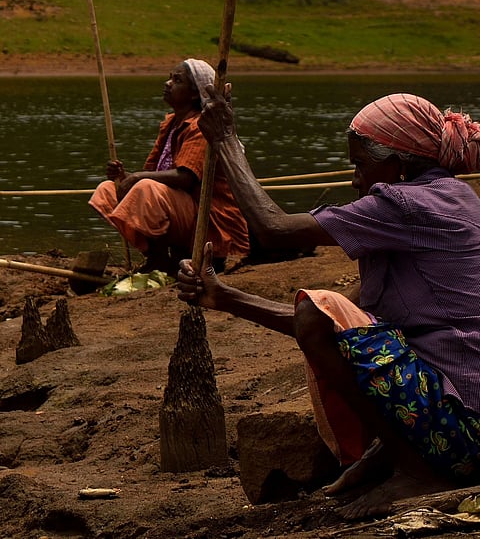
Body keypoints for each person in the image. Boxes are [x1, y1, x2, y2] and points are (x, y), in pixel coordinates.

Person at [178, 89, 480, 519]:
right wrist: (224, 296)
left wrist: (225, 140)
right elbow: (333, 329)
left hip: (464, 428)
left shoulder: (405, 205)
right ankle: (390, 456)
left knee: (316, 308)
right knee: (324, 314)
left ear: (397, 165)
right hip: (462, 426)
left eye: (360, 165)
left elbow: (274, 229)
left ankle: (417, 472)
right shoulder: (452, 198)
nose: (357, 180)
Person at [89, 59, 249, 276]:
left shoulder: (201, 125)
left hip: (206, 215)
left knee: (144, 188)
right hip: (176, 206)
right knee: (107, 190)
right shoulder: (171, 124)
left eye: (177, 80)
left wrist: (137, 178)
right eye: (170, 77)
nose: (167, 83)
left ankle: (160, 260)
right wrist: (124, 176)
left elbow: (186, 178)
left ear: (194, 94)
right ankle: (157, 256)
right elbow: (155, 173)